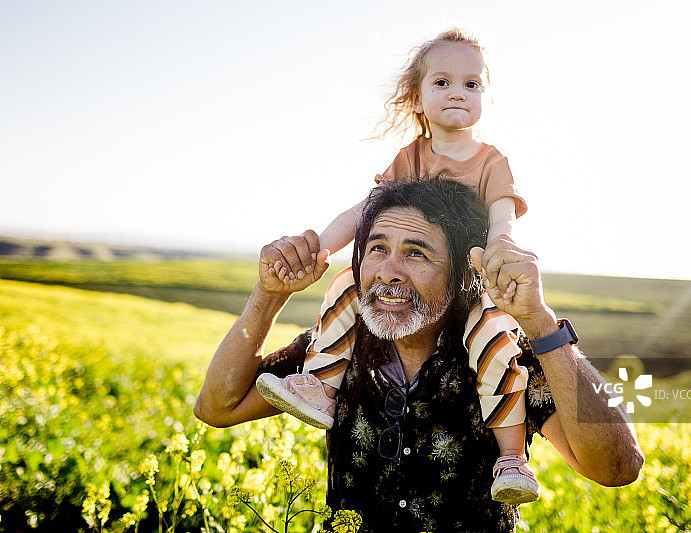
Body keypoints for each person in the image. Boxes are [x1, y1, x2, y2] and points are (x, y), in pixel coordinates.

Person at [194, 179, 644, 533]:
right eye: (376, 249)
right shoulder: (338, 347)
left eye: (416, 254)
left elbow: (617, 468)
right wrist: (269, 294)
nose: (388, 272)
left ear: (462, 276)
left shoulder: (505, 356)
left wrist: (542, 325)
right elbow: (218, 407)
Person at [256, 28, 542, 504]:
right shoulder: (409, 158)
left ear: (488, 96)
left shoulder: (492, 161)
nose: (458, 92)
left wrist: (502, 247)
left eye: (473, 84)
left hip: (470, 283)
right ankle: (321, 386)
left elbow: (502, 214)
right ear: (418, 96)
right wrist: (319, 247)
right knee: (346, 286)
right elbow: (364, 212)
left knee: (496, 345)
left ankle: (512, 457)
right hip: (420, 284)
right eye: (443, 82)